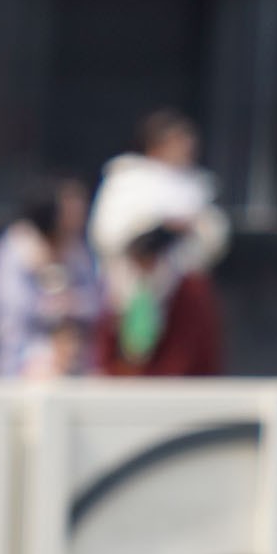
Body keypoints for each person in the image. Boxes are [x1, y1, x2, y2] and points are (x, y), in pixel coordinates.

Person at [90, 109, 228, 376]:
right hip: (136, 291)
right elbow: (110, 234)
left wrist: (190, 228)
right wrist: (156, 231)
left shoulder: (196, 185)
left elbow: (213, 236)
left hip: (185, 292)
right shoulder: (127, 182)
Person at [0, 179, 98, 379]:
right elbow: (11, 311)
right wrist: (57, 304)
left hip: (73, 362)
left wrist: (73, 303)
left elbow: (96, 302)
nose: (79, 215)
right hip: (19, 362)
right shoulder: (14, 248)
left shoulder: (77, 250)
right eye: (71, 209)